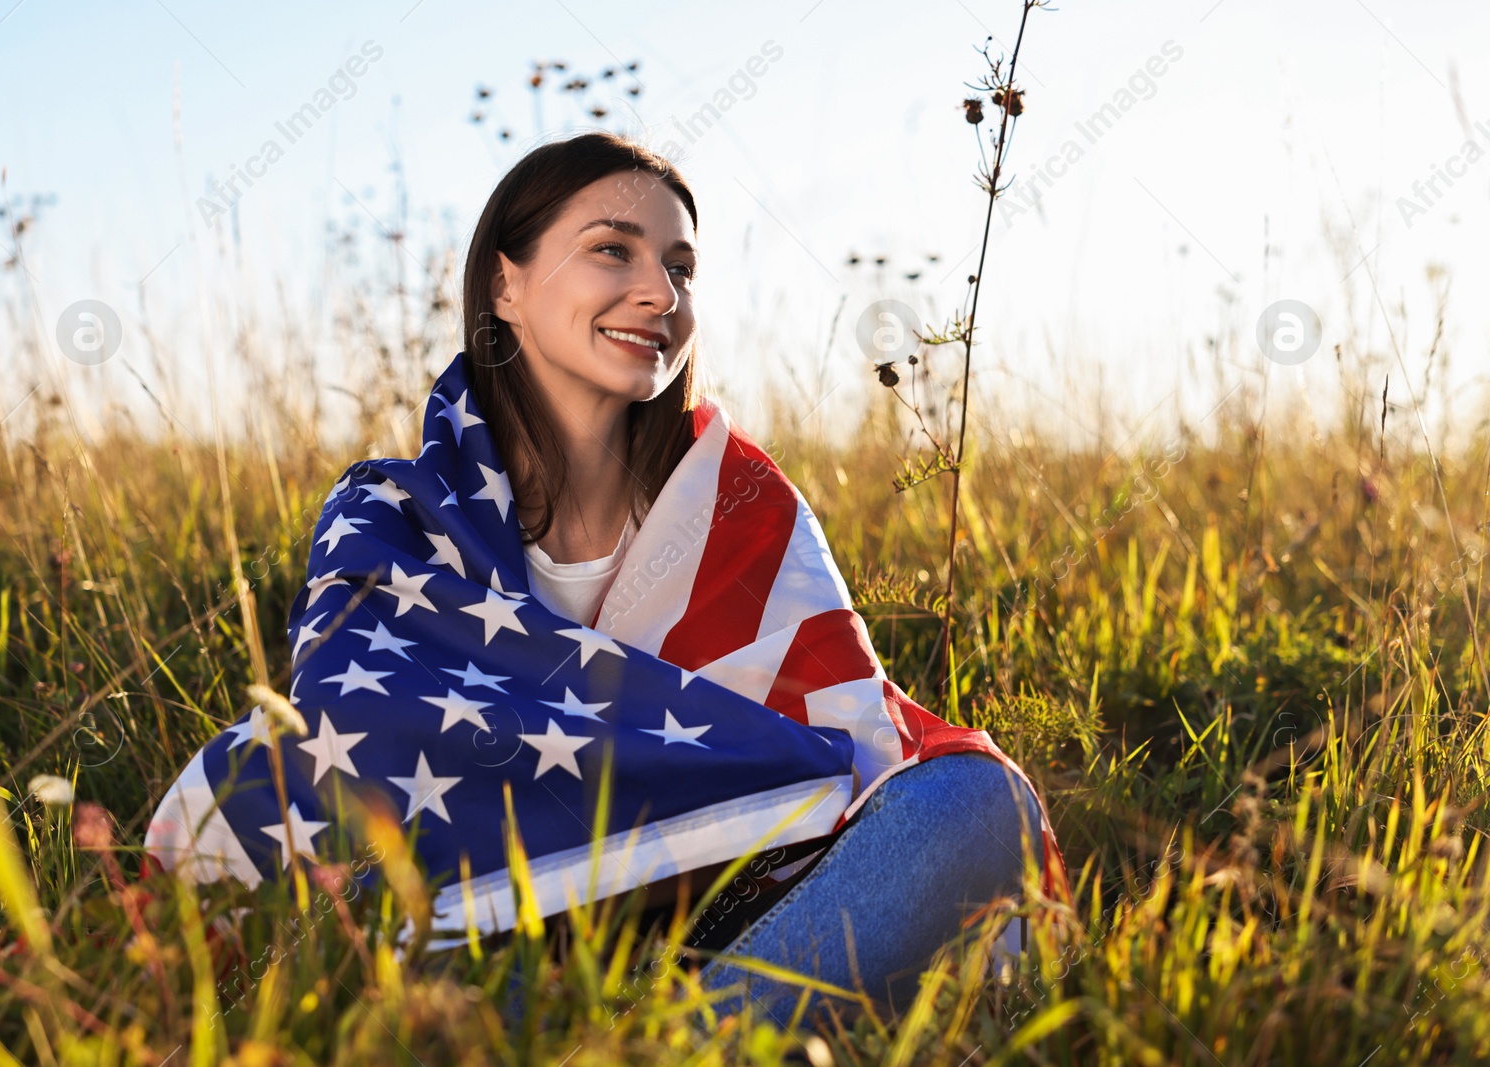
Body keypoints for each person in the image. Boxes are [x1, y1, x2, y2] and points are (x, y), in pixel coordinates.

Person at [145, 130, 1065, 1029]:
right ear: (506, 282)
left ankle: (673, 1042)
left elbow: (845, 743)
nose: (658, 291)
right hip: (497, 914)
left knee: (972, 802)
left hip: (731, 921)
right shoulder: (396, 511)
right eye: (611, 250)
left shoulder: (738, 502)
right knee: (293, 817)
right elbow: (353, 733)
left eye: (681, 266)